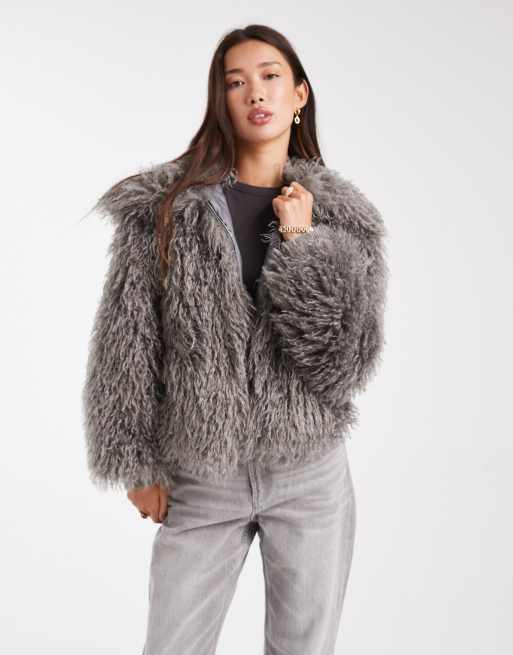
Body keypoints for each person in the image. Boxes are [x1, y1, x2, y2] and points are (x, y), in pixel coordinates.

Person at [82, 23, 388, 655]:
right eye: (236, 82)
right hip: (202, 470)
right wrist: (134, 462)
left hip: (308, 472)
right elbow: (126, 340)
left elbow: (343, 363)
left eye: (271, 76)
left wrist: (301, 241)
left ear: (299, 94)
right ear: (219, 100)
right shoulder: (167, 208)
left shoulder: (344, 218)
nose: (256, 92)